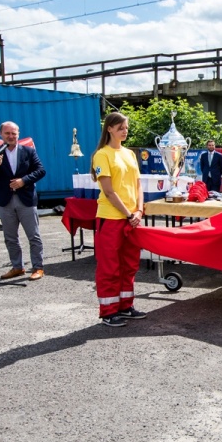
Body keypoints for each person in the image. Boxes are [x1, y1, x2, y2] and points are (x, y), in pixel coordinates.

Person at [90, 113, 146, 327]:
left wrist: (139, 211)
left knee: (129, 264)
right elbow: (109, 191)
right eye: (120, 127)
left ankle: (125, 306)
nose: (125, 130)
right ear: (110, 129)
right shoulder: (102, 155)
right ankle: (108, 311)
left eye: (126, 127)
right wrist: (129, 214)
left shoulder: (130, 154)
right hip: (111, 217)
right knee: (110, 266)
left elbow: (138, 184)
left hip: (131, 217)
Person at [0, 121, 46, 281]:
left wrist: (24, 180)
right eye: (7, 133)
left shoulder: (28, 152)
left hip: (26, 199)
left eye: (14, 133)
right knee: (10, 237)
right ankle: (17, 267)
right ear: (1, 134)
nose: (11, 136)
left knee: (33, 236)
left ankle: (38, 267)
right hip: (6, 200)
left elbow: (40, 170)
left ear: (18, 134)